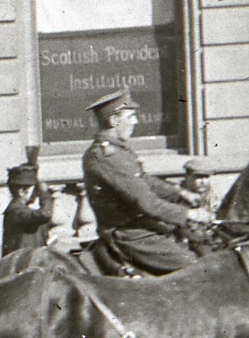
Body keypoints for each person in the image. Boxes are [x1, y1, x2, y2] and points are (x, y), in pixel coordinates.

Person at [80, 89, 209, 275]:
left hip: (140, 226)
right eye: (131, 116)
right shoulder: (107, 157)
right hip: (129, 233)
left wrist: (179, 193)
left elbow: (144, 179)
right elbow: (147, 203)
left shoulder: (118, 150)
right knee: (196, 271)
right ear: (114, 121)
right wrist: (190, 214)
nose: (135, 122)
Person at [1, 164, 56, 256]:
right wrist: (45, 194)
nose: (36, 194)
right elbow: (45, 214)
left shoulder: (21, 210)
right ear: (22, 191)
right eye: (33, 190)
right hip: (22, 264)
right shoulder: (16, 211)